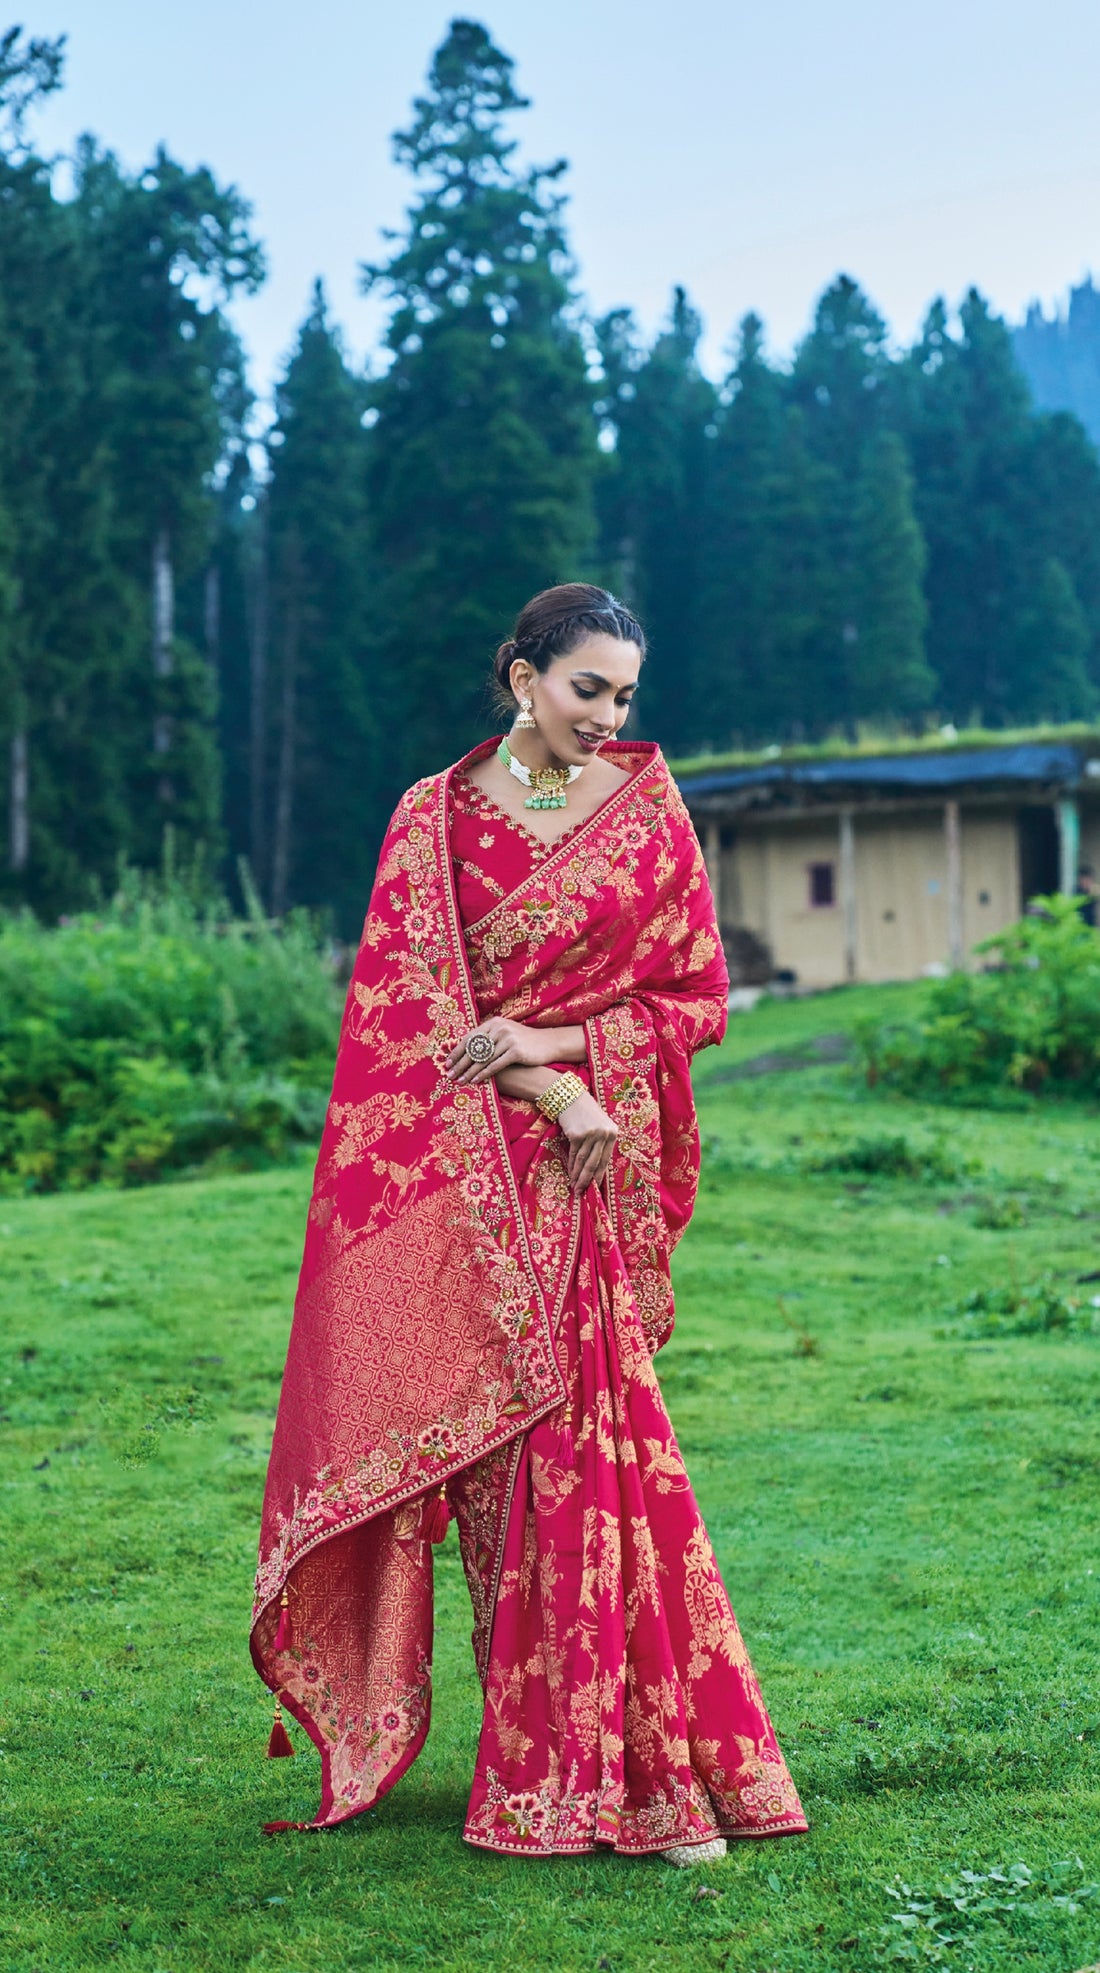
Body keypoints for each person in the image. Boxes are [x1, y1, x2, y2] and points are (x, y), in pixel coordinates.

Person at [252, 583, 806, 1861]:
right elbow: (408, 1023)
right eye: (585, 688)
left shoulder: (650, 811)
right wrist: (542, 1079)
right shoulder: (429, 819)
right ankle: (557, 1764)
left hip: (581, 1176)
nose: (610, 716)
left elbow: (700, 998)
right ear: (520, 676)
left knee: (593, 1460)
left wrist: (562, 1046)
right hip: (462, 1182)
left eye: (625, 692)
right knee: (506, 1477)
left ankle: (647, 1767)